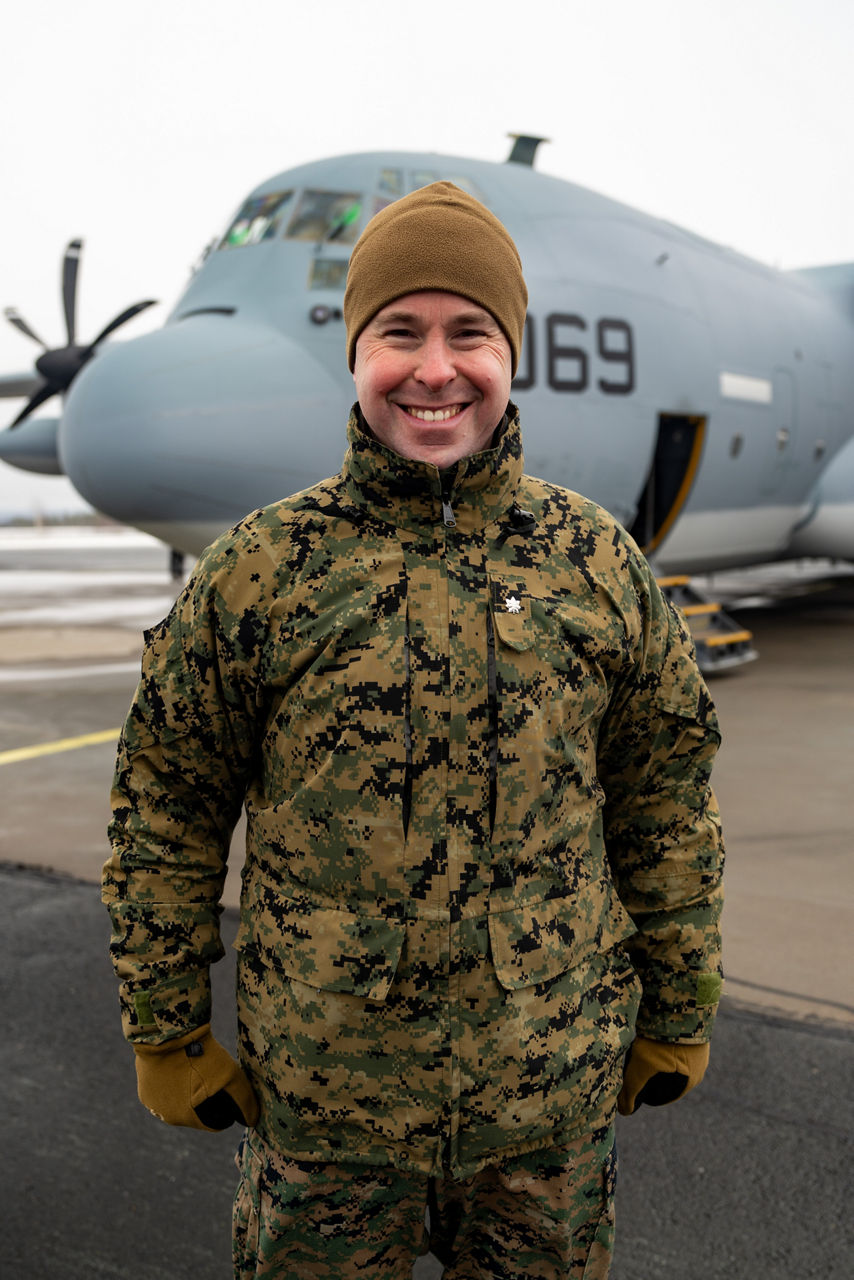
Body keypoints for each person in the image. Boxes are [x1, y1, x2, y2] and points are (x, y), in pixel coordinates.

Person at [103, 182, 724, 1279]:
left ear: (508, 354)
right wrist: (164, 1024)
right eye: (399, 331)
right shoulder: (264, 567)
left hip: (545, 1119)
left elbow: (663, 793)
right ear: (354, 351)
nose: (433, 369)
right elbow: (167, 797)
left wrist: (679, 1000)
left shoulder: (594, 563)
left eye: (468, 333)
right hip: (327, 1127)